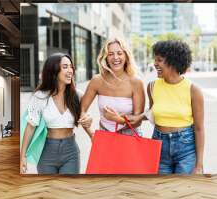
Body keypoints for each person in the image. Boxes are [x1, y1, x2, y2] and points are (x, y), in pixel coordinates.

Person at [128, 40, 205, 174]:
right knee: (162, 191)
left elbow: (199, 129)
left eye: (160, 60)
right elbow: (154, 113)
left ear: (174, 62)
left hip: (186, 148)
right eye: (155, 60)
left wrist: (199, 165)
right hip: (159, 145)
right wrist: (139, 117)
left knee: (182, 191)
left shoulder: (193, 90)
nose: (155, 64)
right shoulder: (152, 86)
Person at [20, 53, 93, 174]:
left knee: (68, 190)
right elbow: (30, 127)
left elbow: (85, 116)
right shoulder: (40, 96)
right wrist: (22, 156)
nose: (70, 70)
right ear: (53, 70)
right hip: (46, 152)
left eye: (71, 67)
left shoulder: (77, 95)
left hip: (71, 152)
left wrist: (89, 124)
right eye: (65, 67)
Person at [81, 37, 145, 135]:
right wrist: (91, 134)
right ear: (105, 57)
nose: (115, 57)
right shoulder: (97, 80)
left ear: (126, 56)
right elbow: (82, 110)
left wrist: (117, 119)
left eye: (119, 53)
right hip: (104, 135)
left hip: (130, 138)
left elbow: (138, 121)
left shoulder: (136, 82)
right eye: (110, 54)